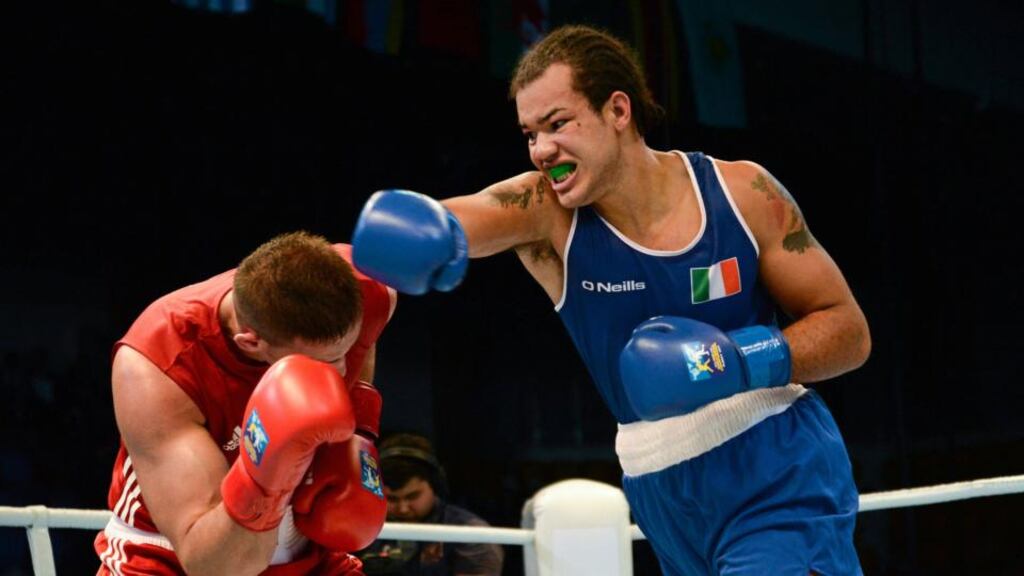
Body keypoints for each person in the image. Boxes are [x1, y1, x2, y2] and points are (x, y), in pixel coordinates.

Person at [351, 24, 871, 576]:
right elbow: (454, 217)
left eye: (558, 124)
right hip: (663, 492)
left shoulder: (741, 194)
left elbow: (848, 331)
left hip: (775, 467)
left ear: (617, 111)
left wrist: (735, 362)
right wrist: (424, 231)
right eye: (529, 134)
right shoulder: (546, 212)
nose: (542, 149)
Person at [95, 231, 398, 575]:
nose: (338, 372)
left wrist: (359, 430)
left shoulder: (362, 285)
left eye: (343, 353)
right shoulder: (160, 364)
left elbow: (473, 214)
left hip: (307, 543)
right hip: (176, 552)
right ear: (251, 342)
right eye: (322, 363)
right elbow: (213, 565)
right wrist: (271, 473)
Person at [358, 434, 504, 576]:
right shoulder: (360, 531)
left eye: (413, 496)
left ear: (436, 486)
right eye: (392, 499)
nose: (403, 509)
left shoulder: (472, 535)